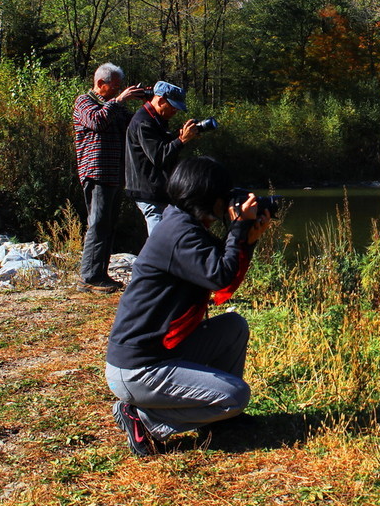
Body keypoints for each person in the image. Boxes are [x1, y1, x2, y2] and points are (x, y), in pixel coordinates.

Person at [105, 156, 270, 455]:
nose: (229, 203)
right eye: (225, 196)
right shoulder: (180, 234)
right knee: (236, 395)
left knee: (233, 326)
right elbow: (220, 277)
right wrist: (236, 229)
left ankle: (219, 420)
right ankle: (145, 419)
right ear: (210, 198)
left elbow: (224, 279)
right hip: (139, 368)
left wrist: (247, 239)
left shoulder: (181, 225)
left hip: (160, 352)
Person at [72, 63, 151, 293]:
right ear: (100, 84)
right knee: (97, 224)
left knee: (107, 226)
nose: (117, 91)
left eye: (119, 88)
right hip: (96, 173)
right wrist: (119, 101)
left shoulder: (113, 106)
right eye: (114, 86)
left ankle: (99, 274)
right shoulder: (84, 102)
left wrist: (147, 102)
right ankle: (89, 277)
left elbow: (133, 125)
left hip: (115, 174)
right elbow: (97, 121)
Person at [125, 80, 199, 236]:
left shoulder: (156, 119)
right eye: (172, 106)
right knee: (159, 239)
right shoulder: (144, 121)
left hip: (156, 190)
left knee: (166, 235)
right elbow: (160, 157)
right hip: (148, 191)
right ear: (159, 100)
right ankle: (156, 260)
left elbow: (161, 147)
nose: (175, 111)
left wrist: (177, 136)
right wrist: (182, 140)